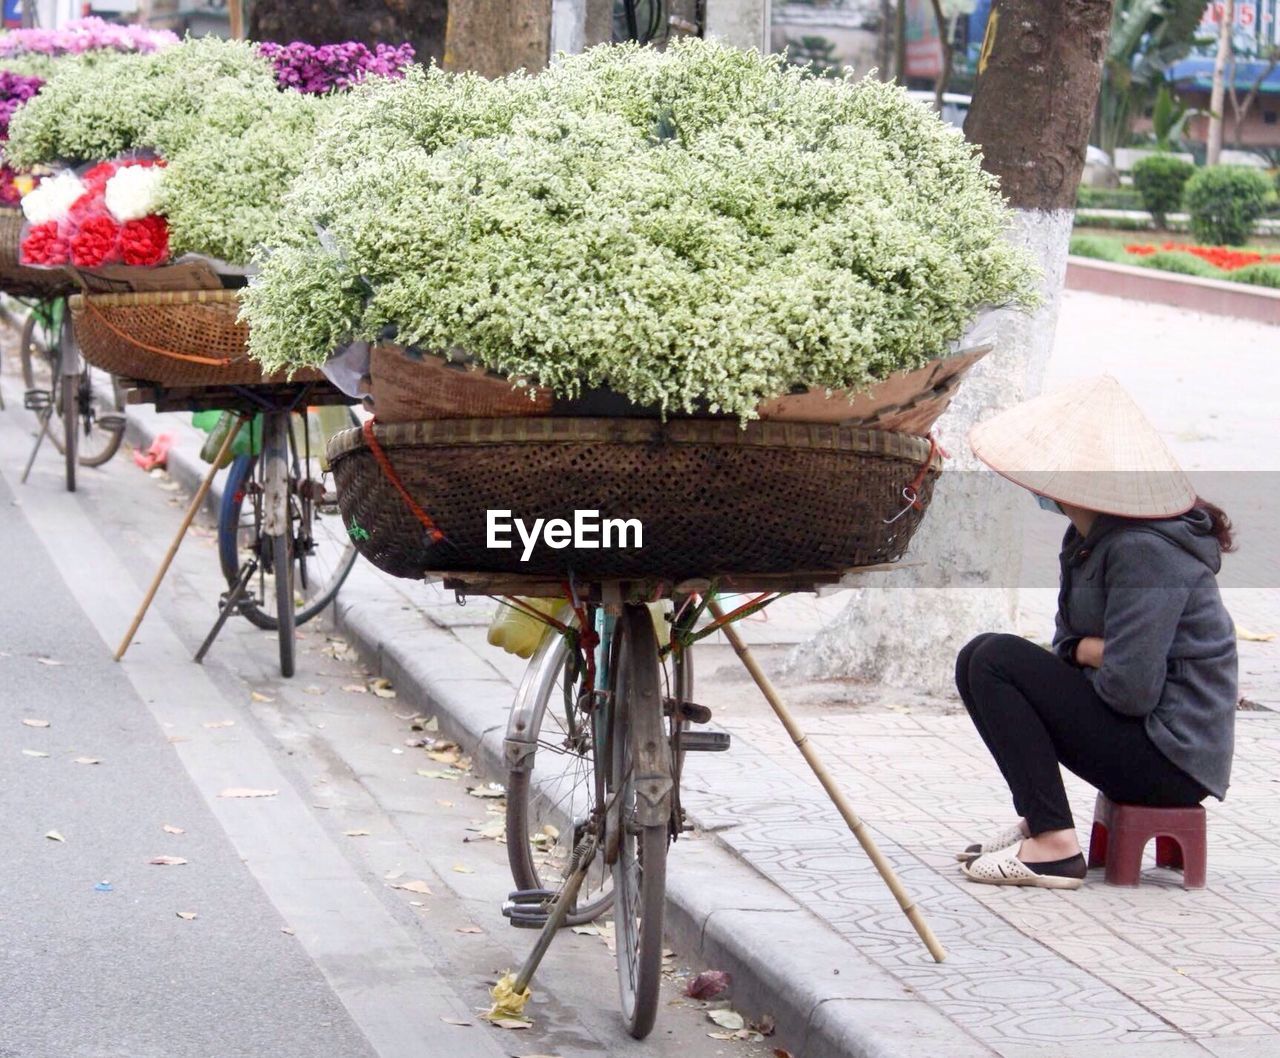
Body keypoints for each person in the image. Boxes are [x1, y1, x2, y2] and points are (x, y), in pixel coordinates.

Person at [955, 375, 1237, 890]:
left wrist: (1096, 656)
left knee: (996, 658)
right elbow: (1067, 643)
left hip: (1170, 755)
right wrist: (1090, 651)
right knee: (978, 656)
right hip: (1139, 729)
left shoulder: (1144, 551)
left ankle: (1055, 848)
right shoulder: (1088, 539)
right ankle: (1041, 822)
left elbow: (1130, 689)